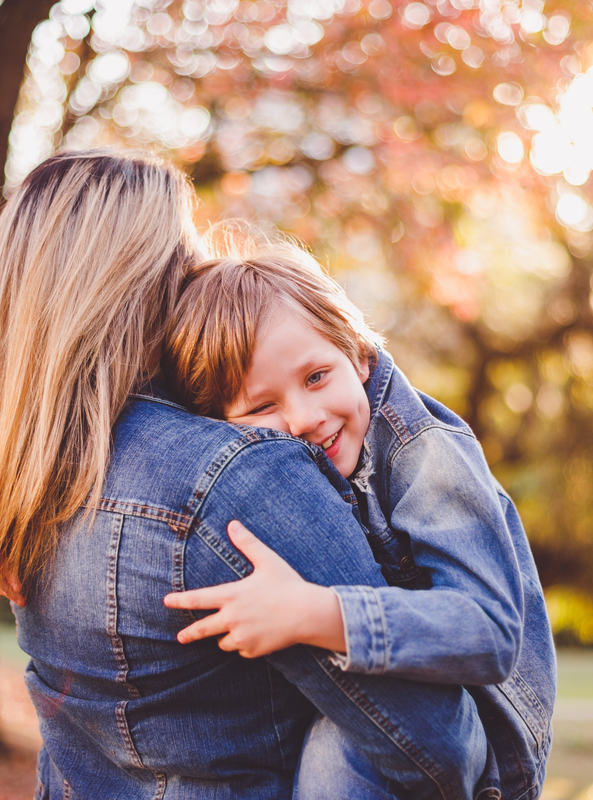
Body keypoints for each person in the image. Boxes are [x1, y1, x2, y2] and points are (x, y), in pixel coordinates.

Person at [0, 150, 493, 799]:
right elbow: (435, 752)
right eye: (184, 257)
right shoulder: (238, 478)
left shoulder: (25, 500)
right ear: (149, 281)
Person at [161, 242, 556, 800]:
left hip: (485, 746)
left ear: (359, 355)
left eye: (317, 376)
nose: (303, 418)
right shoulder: (287, 463)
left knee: (335, 749)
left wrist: (315, 614)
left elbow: (488, 630)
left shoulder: (428, 454)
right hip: (386, 701)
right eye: (261, 407)